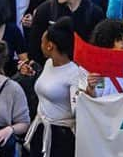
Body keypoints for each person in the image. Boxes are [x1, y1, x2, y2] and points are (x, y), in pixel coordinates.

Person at [24, 18, 83, 157]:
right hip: (40, 127)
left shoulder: (75, 73)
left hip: (61, 135)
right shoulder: (48, 63)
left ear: (50, 45)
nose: (41, 45)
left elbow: (77, 109)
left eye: (42, 42)